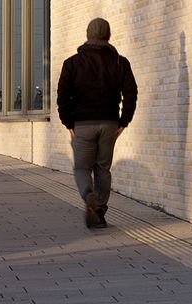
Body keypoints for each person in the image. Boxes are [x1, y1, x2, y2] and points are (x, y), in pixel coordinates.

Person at [56, 17, 138, 228]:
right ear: (109, 36)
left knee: (82, 168)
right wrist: (124, 121)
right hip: (109, 122)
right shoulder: (120, 62)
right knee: (103, 168)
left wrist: (68, 123)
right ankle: (99, 211)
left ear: (87, 36)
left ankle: (88, 194)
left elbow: (63, 95)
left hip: (82, 124)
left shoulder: (72, 63)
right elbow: (131, 93)